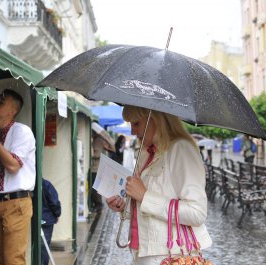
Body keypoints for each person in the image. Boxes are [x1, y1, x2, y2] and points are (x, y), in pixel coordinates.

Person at [106, 106, 212, 265]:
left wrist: (144, 196)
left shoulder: (181, 149)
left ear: (156, 120)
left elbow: (197, 213)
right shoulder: (146, 152)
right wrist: (123, 207)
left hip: (170, 254)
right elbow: (143, 209)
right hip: (141, 251)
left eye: (136, 124)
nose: (132, 131)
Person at [0, 89, 36, 265]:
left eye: (1, 101)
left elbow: (13, 166)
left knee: (13, 261)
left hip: (15, 203)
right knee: (4, 261)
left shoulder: (22, 132)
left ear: (12, 111)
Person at [90, 131, 112, 212]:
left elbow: (98, 154)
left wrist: (90, 154)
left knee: (95, 187)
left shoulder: (98, 141)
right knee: (96, 186)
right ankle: (97, 204)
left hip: (96, 168)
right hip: (97, 168)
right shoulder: (98, 140)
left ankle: (98, 204)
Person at [41, 178, 61, 265]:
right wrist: (57, 214)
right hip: (47, 219)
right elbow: (54, 202)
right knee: (44, 247)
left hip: (33, 219)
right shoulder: (46, 184)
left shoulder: (28, 185)